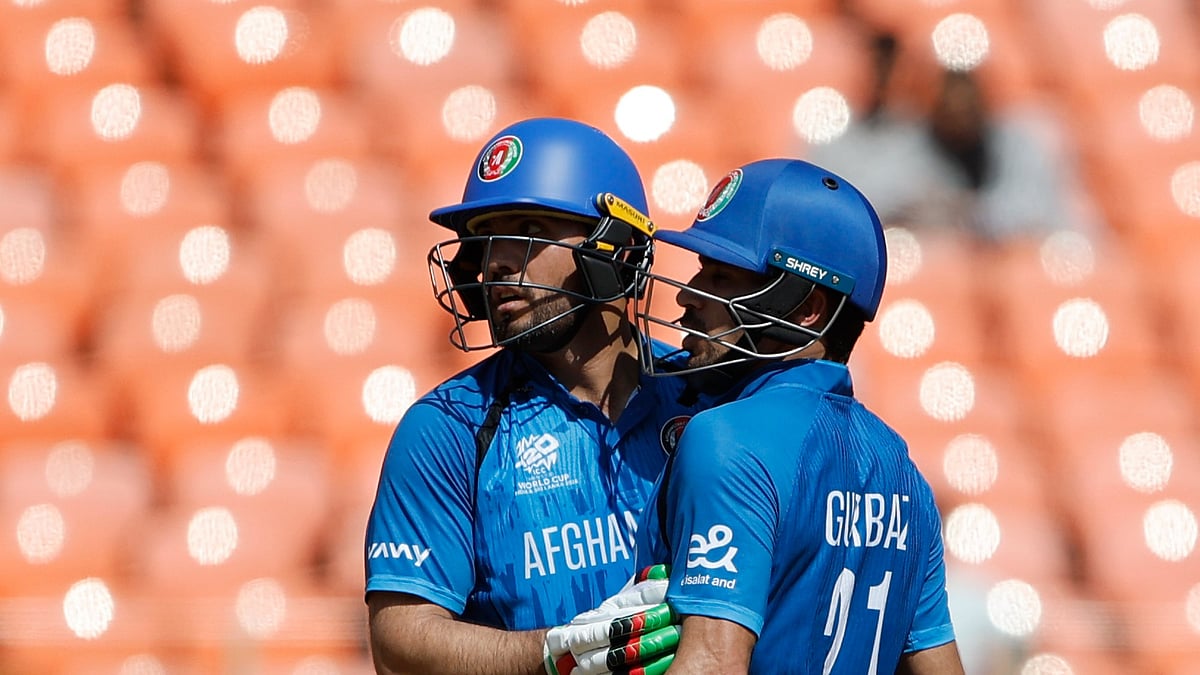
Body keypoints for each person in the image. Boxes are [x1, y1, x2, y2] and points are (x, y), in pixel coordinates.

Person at [363, 117, 704, 674]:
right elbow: (399, 642)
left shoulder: (709, 398)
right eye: (486, 241)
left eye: (527, 233)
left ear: (614, 249)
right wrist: (555, 656)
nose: (496, 263)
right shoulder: (448, 426)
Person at [627, 158, 965, 673]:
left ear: (807, 309)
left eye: (719, 278)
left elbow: (713, 664)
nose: (685, 297)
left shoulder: (727, 440)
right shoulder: (904, 473)